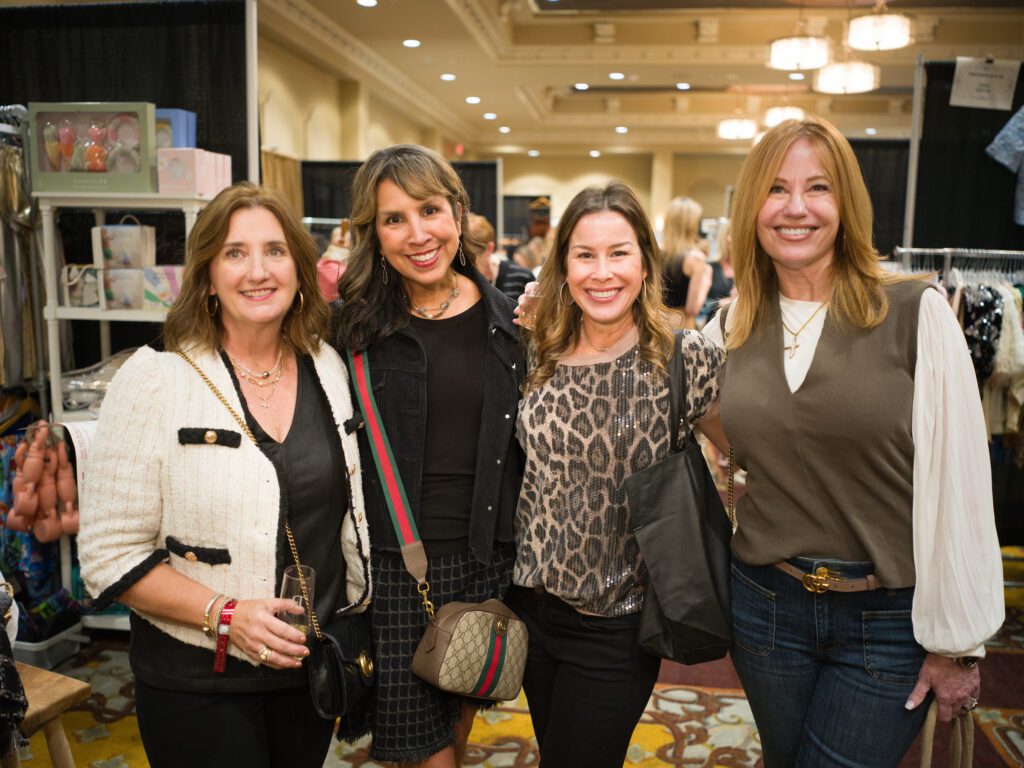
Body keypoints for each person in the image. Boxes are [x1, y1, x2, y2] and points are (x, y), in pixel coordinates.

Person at [703, 116, 1005, 767]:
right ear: (752, 206)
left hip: (890, 619)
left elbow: (960, 487)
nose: (795, 208)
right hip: (764, 608)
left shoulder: (915, 312)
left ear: (847, 204)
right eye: (776, 189)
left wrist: (957, 642)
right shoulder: (732, 322)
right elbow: (669, 398)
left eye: (818, 188)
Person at [77, 183, 372, 768]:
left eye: (275, 251)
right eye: (235, 253)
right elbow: (107, 555)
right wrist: (226, 615)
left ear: (299, 268)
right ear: (207, 274)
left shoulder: (329, 366)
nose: (257, 271)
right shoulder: (157, 379)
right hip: (197, 680)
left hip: (306, 670)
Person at [506, 181, 728, 768]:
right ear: (563, 267)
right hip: (530, 610)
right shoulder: (535, 351)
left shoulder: (685, 359)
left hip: (618, 624)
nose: (602, 272)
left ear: (646, 262)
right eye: (585, 255)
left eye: (618, 252)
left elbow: (743, 461)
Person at [333, 144, 525, 767]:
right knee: (424, 753)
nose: (418, 233)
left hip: (488, 561)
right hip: (396, 569)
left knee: (457, 729)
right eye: (395, 219)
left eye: (430, 210)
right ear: (374, 233)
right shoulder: (351, 329)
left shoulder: (514, 322)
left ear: (459, 213)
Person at [661, 196, 712, 328]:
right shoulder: (695, 259)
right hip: (682, 328)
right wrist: (706, 282)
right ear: (692, 225)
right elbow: (693, 309)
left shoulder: (656, 254)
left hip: (656, 324)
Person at [467, 213, 534, 301]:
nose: (465, 262)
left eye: (472, 255)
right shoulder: (457, 282)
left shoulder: (522, 277)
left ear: (490, 248)